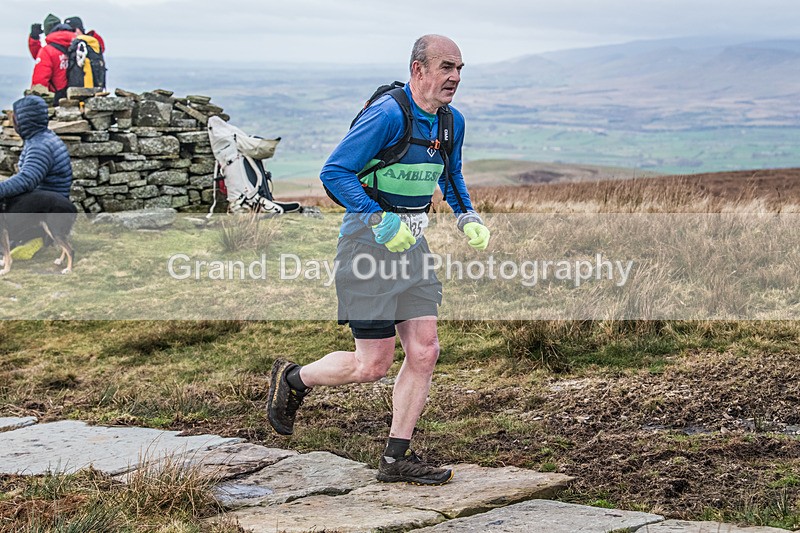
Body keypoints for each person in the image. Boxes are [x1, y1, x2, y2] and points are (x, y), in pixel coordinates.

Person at [266, 35, 491, 486]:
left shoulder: (451, 123)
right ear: (418, 69)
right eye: (446, 67)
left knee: (425, 350)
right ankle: (293, 379)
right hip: (366, 251)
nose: (455, 77)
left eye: (460, 68)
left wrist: (466, 215)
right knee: (372, 366)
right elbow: (334, 172)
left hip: (413, 251)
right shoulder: (388, 114)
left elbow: (450, 173)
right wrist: (378, 220)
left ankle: (395, 459)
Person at [0, 95, 73, 259]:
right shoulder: (41, 138)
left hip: (47, 208)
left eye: (16, 117)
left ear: (25, 120)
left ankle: (29, 239)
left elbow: (27, 180)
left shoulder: (40, 146)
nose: (14, 121)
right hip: (49, 202)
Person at [30, 18, 76, 101]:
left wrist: (36, 99)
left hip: (56, 98)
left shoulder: (48, 51)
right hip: (79, 97)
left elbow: (40, 80)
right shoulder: (79, 46)